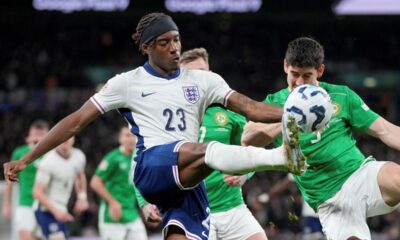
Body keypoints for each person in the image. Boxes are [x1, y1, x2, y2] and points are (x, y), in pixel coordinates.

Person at [4, 12, 304, 240]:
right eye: (165, 42)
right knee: (206, 150)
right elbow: (75, 122)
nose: (174, 48)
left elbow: (251, 107)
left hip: (186, 182)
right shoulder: (127, 83)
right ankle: (279, 159)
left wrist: (294, 112)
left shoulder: (204, 81)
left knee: (200, 164)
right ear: (147, 47)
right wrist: (27, 158)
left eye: (177, 40)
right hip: (153, 167)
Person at [241, 36, 400, 240]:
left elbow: (386, 131)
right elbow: (248, 138)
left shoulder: (341, 96)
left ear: (320, 71)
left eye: (307, 76)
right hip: (329, 201)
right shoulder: (274, 103)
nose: (299, 83)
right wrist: (289, 115)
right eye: (294, 74)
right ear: (285, 66)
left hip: (360, 175)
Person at [180, 48, 267, 240]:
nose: (201, 77)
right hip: (193, 210)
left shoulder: (230, 114)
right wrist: (145, 202)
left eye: (204, 71)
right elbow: (144, 157)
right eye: (193, 74)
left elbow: (249, 152)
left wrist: (245, 174)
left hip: (232, 206)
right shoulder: (172, 118)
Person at [90, 126, 148, 240]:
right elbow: (95, 182)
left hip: (131, 214)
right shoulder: (113, 158)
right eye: (127, 135)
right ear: (120, 139)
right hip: (112, 215)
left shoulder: (139, 159)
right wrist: (112, 202)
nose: (131, 139)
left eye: (133, 136)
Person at [2, 119, 49, 240]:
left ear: (48, 136)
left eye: (41, 135)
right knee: (25, 236)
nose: (37, 138)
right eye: (35, 134)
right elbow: (9, 182)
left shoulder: (51, 154)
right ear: (29, 136)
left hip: (45, 204)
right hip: (25, 202)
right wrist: (7, 205)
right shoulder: (20, 153)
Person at [33, 137, 88, 239]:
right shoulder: (48, 161)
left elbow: (80, 176)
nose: (65, 138)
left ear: (74, 138)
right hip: (45, 210)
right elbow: (37, 192)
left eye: (69, 135)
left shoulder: (79, 157)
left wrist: (82, 197)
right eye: (63, 135)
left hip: (62, 209)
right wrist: (56, 211)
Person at [257, 174, 325, 240]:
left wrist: (267, 196)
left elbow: (287, 181)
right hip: (318, 213)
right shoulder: (309, 166)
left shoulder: (306, 166)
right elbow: (288, 181)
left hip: (316, 213)